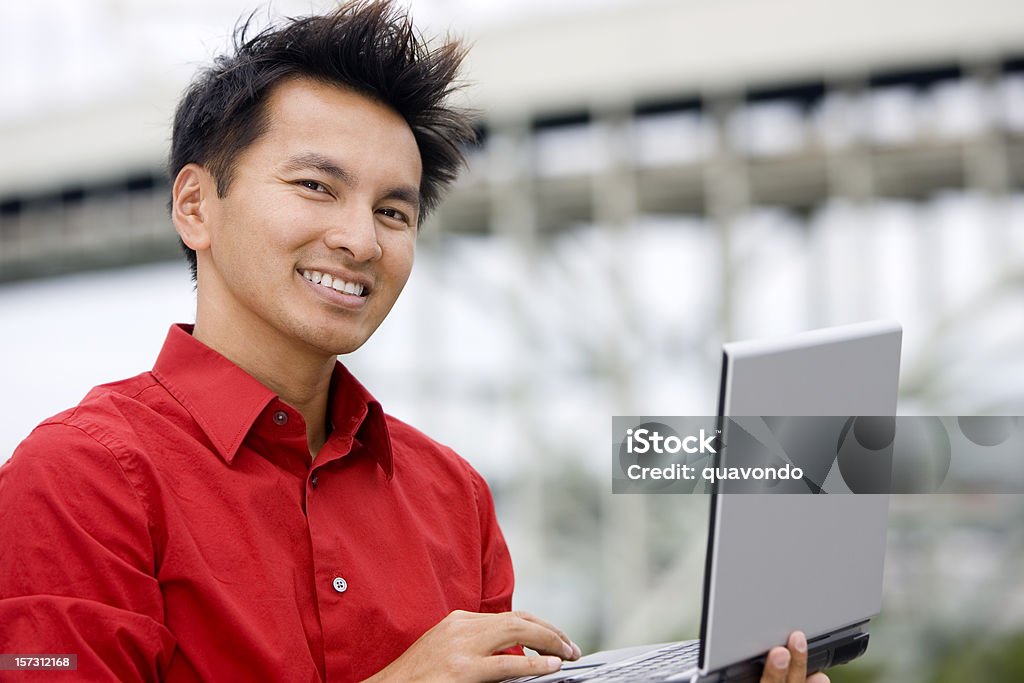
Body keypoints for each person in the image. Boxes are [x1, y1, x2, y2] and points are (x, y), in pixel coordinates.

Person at [0, 2, 828, 682]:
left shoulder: (452, 495)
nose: (361, 240)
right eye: (316, 186)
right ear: (195, 207)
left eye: (394, 211)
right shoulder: (79, 481)